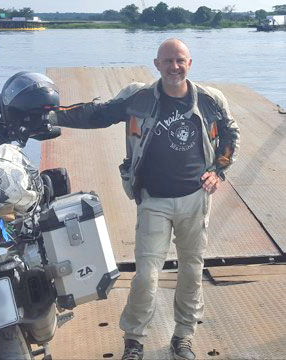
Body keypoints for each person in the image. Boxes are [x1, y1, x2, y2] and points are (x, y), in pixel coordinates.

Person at [48, 38, 240, 360]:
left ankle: (183, 336)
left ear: (189, 64)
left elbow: (231, 135)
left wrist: (219, 171)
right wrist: (53, 116)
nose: (174, 67)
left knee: (192, 272)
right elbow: (98, 114)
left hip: (195, 199)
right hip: (154, 201)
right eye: (167, 61)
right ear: (157, 64)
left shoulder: (209, 100)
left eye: (180, 60)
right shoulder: (139, 99)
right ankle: (134, 340)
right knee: (146, 276)